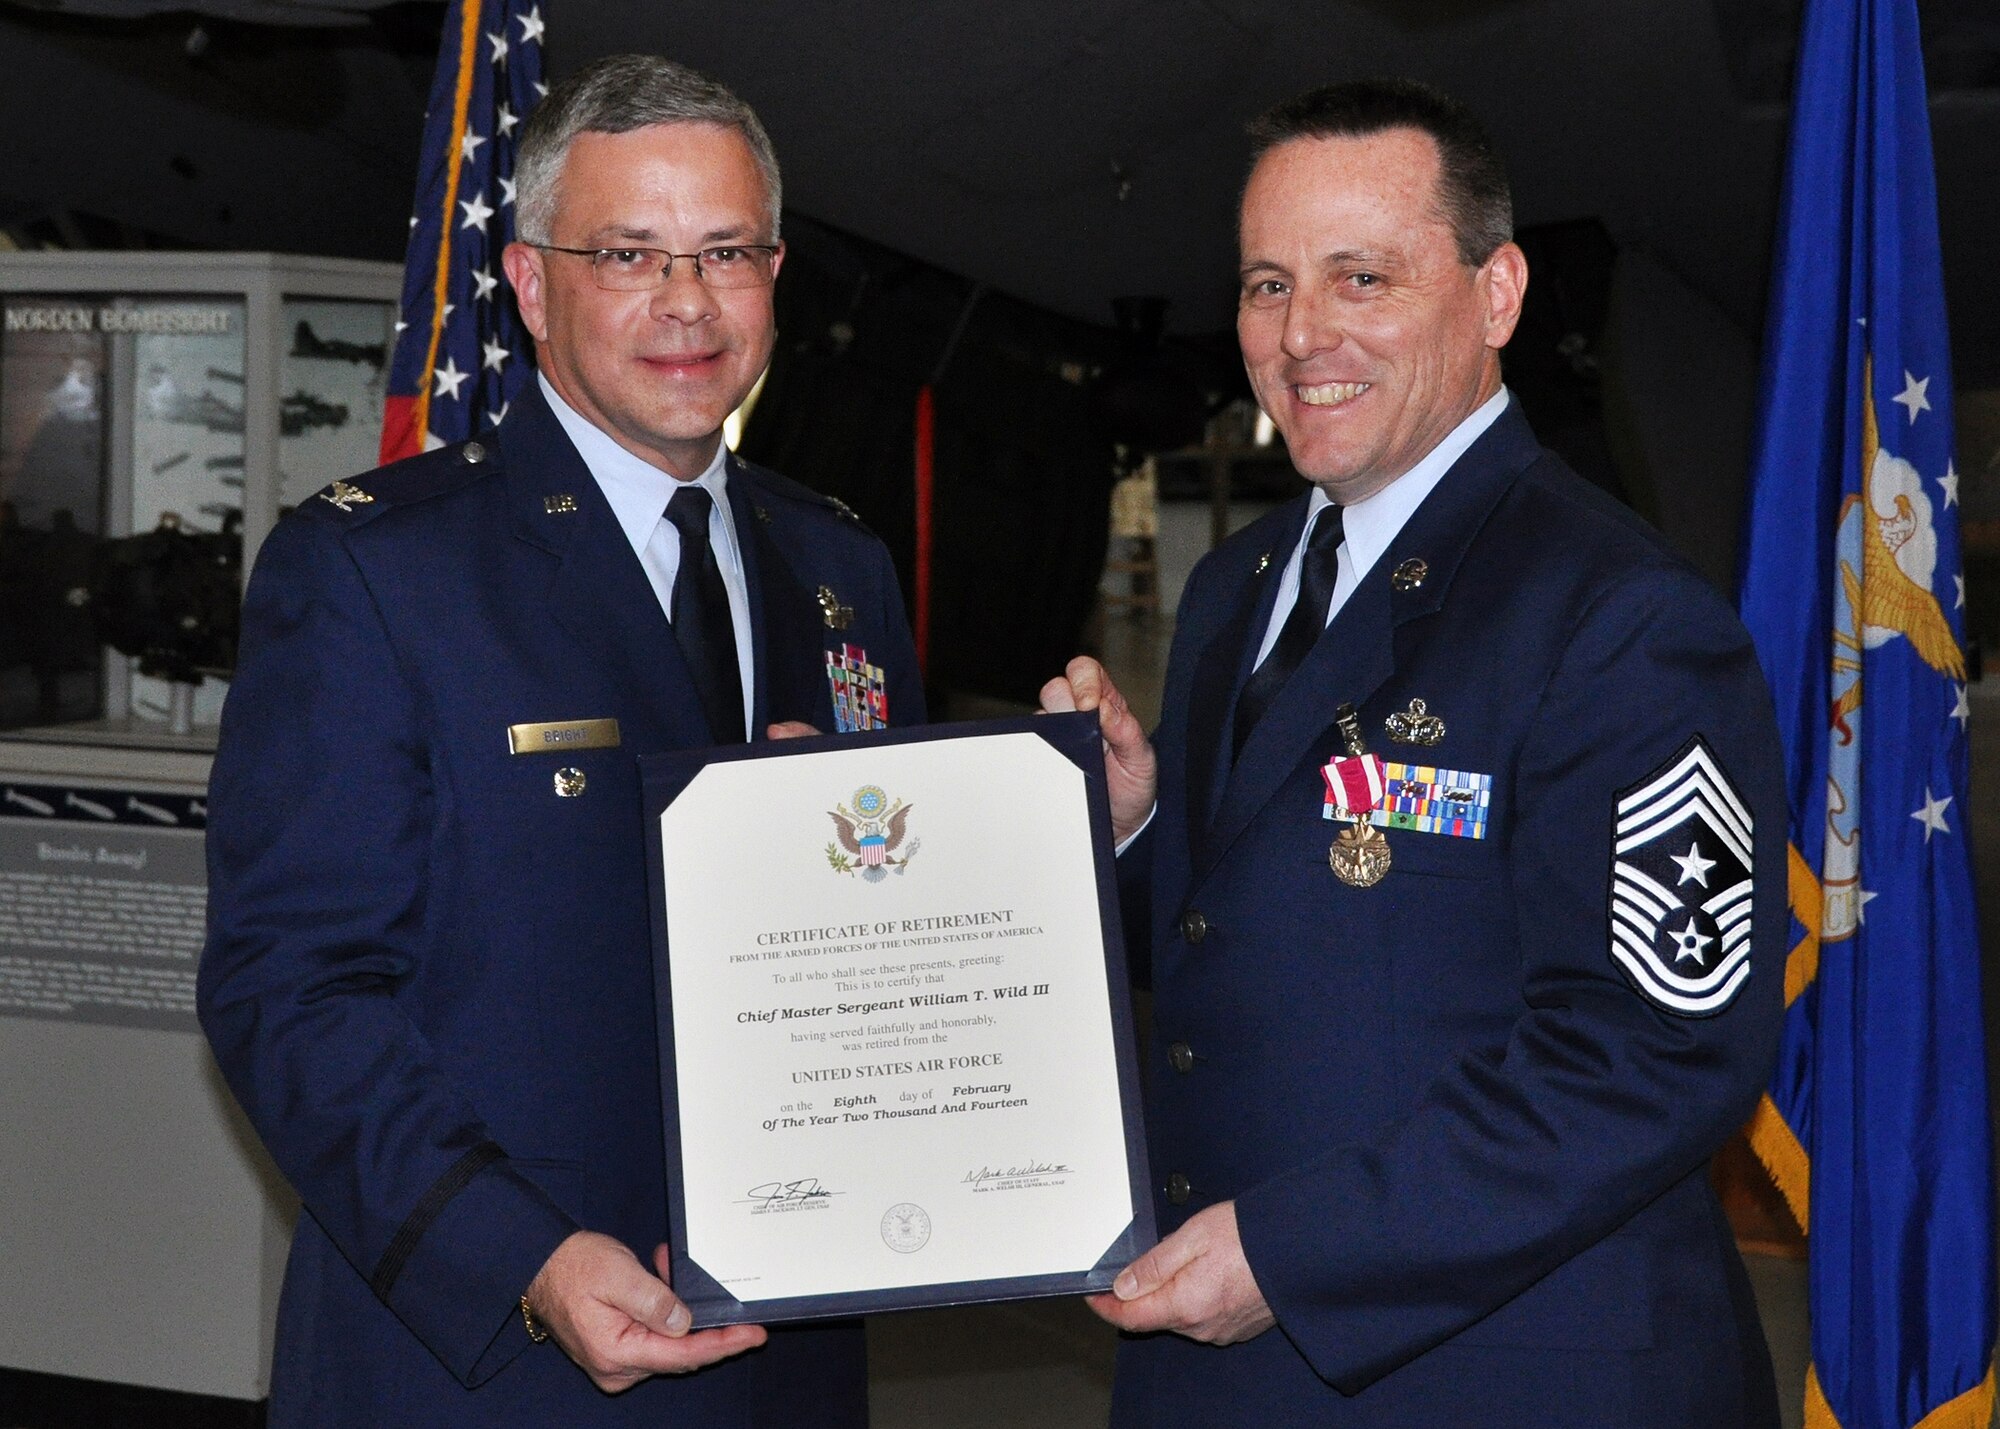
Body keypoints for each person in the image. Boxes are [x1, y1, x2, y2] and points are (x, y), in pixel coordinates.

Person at [1044, 79, 1786, 1427]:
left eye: (1361, 277)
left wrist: (1291, 1250)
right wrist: (1140, 833)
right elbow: (1248, 939)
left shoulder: (1622, 619)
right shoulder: (1241, 584)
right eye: (1267, 285)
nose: (1301, 334)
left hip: (1503, 1371)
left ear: (1495, 294)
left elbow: (1655, 1053)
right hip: (1228, 1368)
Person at [198, 55, 920, 1427]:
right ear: (529, 285)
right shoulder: (374, 574)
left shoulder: (843, 569)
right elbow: (288, 990)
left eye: (725, 252)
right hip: (487, 1354)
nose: (687, 302)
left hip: (789, 1352)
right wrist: (519, 1254)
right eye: (629, 254)